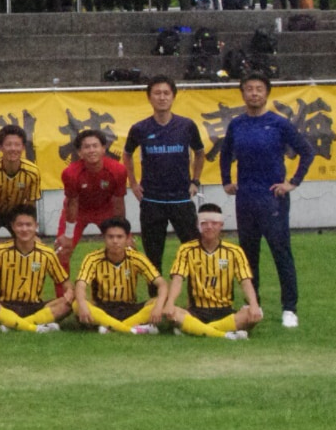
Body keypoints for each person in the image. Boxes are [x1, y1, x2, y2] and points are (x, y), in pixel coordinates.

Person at [220, 72, 313, 328]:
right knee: (248, 256)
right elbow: (225, 153)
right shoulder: (237, 124)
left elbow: (307, 151)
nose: (254, 93)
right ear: (242, 93)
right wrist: (226, 179)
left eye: (259, 89)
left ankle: (289, 308)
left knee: (281, 253)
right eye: (249, 89)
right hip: (245, 199)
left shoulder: (279, 123)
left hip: (273, 199)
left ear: (267, 93)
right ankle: (253, 304)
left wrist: (292, 183)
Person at [122, 76, 205, 276]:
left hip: (181, 198)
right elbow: (127, 154)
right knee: (152, 256)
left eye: (166, 93)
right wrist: (133, 183)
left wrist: (195, 181)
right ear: (149, 98)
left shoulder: (186, 126)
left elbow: (200, 152)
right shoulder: (140, 128)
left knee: (193, 251)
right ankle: (155, 302)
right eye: (157, 93)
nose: (162, 97)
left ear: (173, 97)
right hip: (152, 199)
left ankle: (198, 301)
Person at [164, 204, 262, 339]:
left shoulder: (234, 251)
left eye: (214, 223)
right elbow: (178, 279)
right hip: (196, 311)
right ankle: (225, 335)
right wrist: (170, 303)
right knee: (172, 312)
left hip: (224, 311)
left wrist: (254, 304)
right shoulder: (186, 249)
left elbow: (245, 281)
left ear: (221, 225)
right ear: (198, 225)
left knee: (254, 315)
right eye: (204, 223)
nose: (209, 227)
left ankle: (195, 329)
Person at [0, 205, 71, 333]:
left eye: (28, 225)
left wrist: (70, 294)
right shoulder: (1, 251)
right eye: (20, 225)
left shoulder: (47, 253)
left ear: (36, 226)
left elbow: (65, 283)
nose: (24, 229)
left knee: (68, 303)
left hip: (35, 306)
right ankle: (36, 326)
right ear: (13, 226)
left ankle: (12, 324)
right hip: (6, 305)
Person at [73, 217, 168, 335]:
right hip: (103, 308)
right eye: (110, 237)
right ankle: (131, 329)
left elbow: (162, 284)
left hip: (129, 307)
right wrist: (82, 305)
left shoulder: (136, 257)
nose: (115, 241)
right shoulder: (92, 258)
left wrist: (158, 306)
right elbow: (80, 284)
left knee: (163, 301)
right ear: (104, 238)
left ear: (127, 238)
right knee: (77, 304)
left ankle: (110, 327)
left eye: (119, 237)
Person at [56, 129, 127, 272]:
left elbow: (118, 201)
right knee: (62, 251)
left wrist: (123, 229)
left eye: (95, 146)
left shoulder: (118, 170)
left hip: (106, 210)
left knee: (126, 249)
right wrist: (68, 235)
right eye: (86, 147)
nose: (91, 150)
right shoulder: (70, 173)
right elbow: (72, 203)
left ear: (103, 149)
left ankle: (122, 292)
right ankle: (64, 293)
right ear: (80, 152)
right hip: (78, 212)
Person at [0, 124, 41, 265]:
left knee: (35, 247)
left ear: (23, 148)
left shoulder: (33, 172)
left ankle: (25, 284)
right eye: (8, 145)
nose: (13, 149)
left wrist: (30, 230)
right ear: (0, 148)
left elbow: (30, 205)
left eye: (17, 145)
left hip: (17, 212)